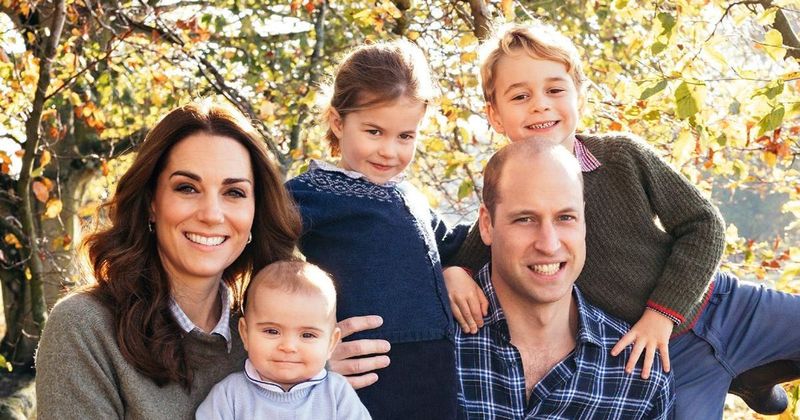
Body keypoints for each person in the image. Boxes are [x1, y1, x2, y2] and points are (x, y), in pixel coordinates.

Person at [444, 21, 800, 418]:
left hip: (719, 305)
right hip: (663, 356)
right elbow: (479, 252)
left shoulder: (622, 157)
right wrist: (455, 272)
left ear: (579, 94)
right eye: (520, 96)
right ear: (494, 115)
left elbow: (704, 224)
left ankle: (756, 379)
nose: (540, 104)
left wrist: (662, 312)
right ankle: (747, 380)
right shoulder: (513, 196)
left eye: (555, 89)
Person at [33, 99, 374, 419]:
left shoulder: (279, 336)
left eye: (234, 193)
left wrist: (318, 375)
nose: (212, 214)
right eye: (187, 188)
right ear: (152, 202)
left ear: (256, 211)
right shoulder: (86, 328)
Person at [285, 40, 468, 419]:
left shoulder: (410, 196)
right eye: (374, 132)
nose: (390, 151)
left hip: (435, 379)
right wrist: (308, 349)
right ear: (338, 122)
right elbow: (258, 263)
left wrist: (454, 270)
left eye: (406, 136)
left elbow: (451, 243)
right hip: (367, 376)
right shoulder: (312, 193)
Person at [459, 140, 674, 418]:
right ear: (487, 225)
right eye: (525, 219)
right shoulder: (430, 343)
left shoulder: (638, 377)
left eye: (565, 217)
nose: (548, 244)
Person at [196, 261, 370, 419]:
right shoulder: (229, 396)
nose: (288, 347)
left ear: (331, 343)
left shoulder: (337, 394)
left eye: (307, 335)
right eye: (272, 331)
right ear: (245, 333)